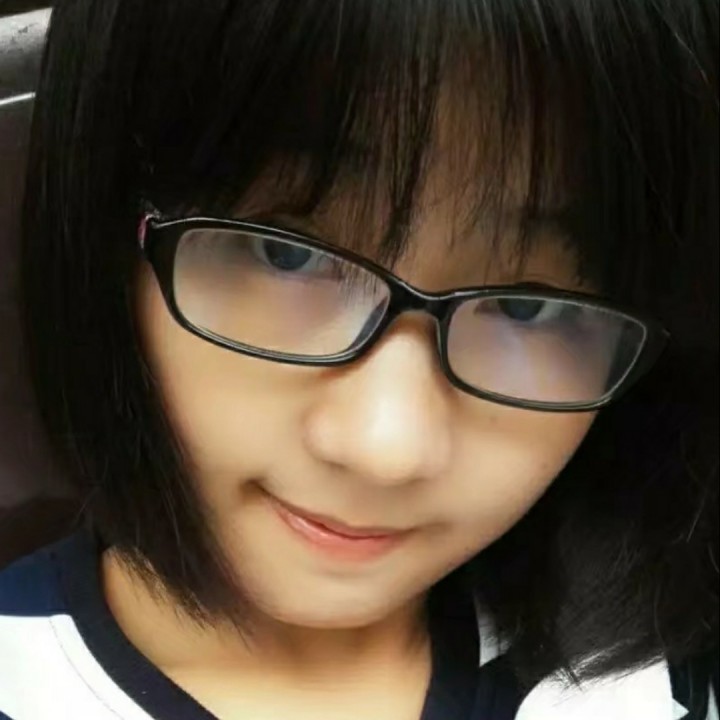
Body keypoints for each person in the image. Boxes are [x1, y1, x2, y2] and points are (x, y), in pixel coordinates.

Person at [0, 1, 718, 718]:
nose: (386, 450)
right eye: (286, 254)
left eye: (530, 307)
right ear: (107, 231)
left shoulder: (652, 654)